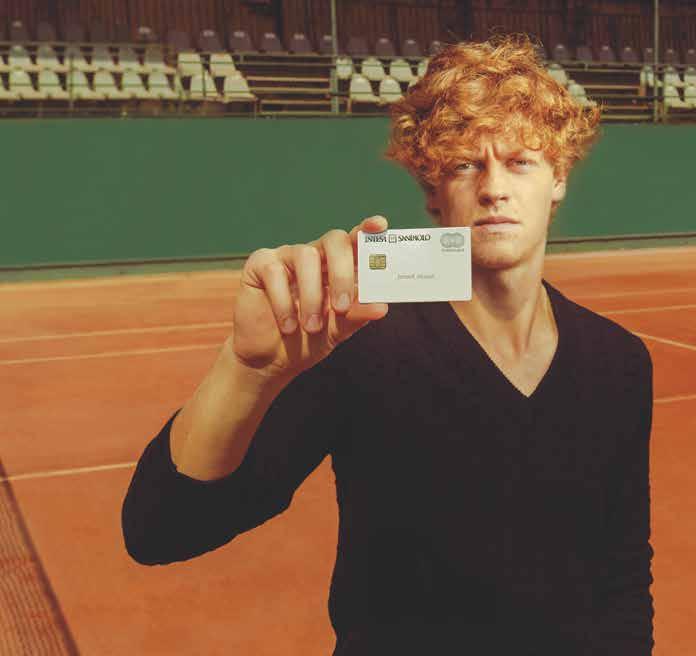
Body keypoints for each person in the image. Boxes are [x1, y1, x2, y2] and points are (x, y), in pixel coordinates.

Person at [122, 33, 654, 655]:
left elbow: (623, 577)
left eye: (519, 162)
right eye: (465, 164)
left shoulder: (619, 362)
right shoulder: (362, 337)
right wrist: (247, 370)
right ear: (431, 191)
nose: (494, 187)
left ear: (557, 178)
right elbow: (162, 529)